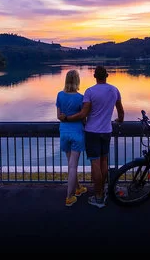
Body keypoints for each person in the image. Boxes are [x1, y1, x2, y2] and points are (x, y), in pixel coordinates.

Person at [61, 66, 124, 208]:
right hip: (107, 131)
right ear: (107, 76)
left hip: (92, 132)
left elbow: (83, 114)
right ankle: (103, 191)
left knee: (95, 163)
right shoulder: (114, 90)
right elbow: (120, 111)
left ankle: (99, 196)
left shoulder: (90, 92)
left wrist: (67, 118)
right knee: (103, 161)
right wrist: (119, 121)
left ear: (95, 76)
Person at [56, 69, 88, 207]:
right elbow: (83, 117)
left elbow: (59, 116)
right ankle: (69, 197)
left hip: (64, 133)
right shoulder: (80, 98)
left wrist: (65, 118)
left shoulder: (60, 95)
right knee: (73, 166)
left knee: (71, 164)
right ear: (77, 81)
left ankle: (78, 188)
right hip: (77, 133)